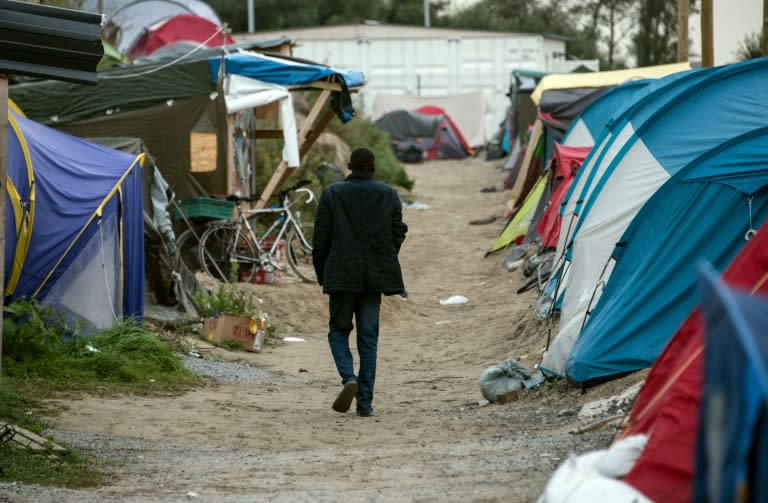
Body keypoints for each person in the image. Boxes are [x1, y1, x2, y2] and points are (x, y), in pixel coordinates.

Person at [312, 147, 408, 417]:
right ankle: (364, 403)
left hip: (341, 276)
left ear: (349, 166)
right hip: (373, 279)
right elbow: (398, 232)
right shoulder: (388, 194)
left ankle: (348, 378)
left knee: (338, 331)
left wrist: (324, 274)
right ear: (373, 167)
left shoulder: (332, 194)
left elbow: (320, 239)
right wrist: (385, 258)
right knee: (368, 339)